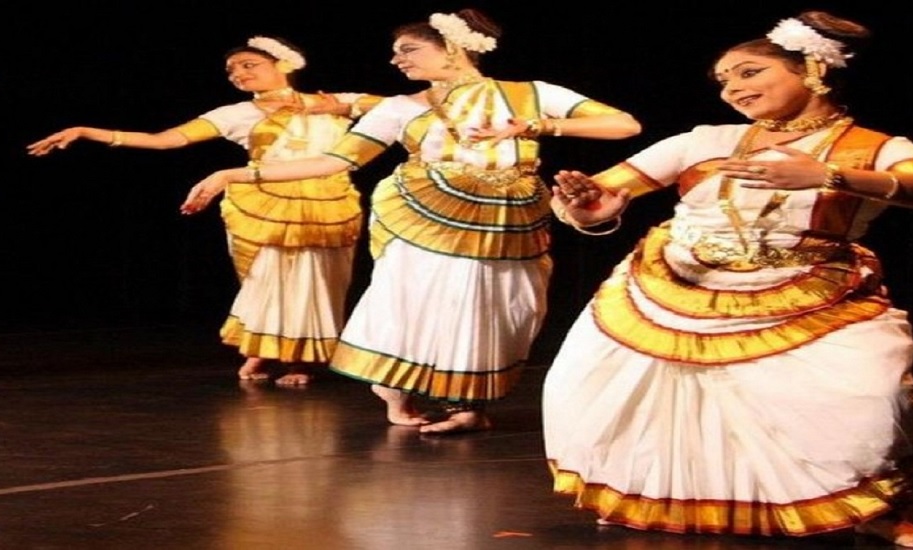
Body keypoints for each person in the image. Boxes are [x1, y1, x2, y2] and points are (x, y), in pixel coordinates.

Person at [541, 11, 913, 548]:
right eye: (724, 80)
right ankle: (652, 494)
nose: (732, 89)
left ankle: (874, 511)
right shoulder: (704, 141)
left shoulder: (876, 148)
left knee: (871, 396)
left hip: (809, 289)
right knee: (651, 398)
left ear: (813, 70)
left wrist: (828, 175)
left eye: (749, 72)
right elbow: (597, 193)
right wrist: (586, 210)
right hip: (677, 283)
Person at [180, 8, 641, 433]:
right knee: (414, 300)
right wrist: (232, 174)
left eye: (409, 49)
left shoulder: (531, 94)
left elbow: (623, 124)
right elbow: (334, 161)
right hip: (427, 215)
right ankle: (397, 393)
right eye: (396, 52)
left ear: (453, 48)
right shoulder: (400, 107)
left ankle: (468, 406)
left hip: (510, 215)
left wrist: (535, 126)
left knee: (499, 306)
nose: (396, 60)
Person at [27, 36, 383, 387]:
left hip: (328, 201)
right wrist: (87, 131)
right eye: (231, 71)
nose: (238, 74)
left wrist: (340, 108)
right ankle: (261, 348)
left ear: (284, 64)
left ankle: (299, 359)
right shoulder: (236, 114)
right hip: (266, 202)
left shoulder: (336, 101)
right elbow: (165, 139)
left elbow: (401, 110)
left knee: (316, 280)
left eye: (248, 65)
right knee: (267, 280)